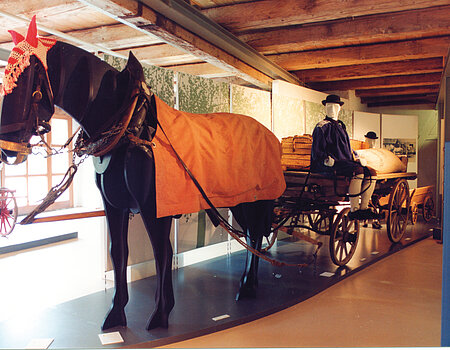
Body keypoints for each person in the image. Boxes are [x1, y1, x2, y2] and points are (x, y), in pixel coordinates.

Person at [310, 94, 379, 220]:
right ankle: (354, 210)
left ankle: (364, 207)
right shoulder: (322, 127)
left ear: (339, 108)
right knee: (357, 171)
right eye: (329, 106)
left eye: (335, 106)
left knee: (372, 172)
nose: (332, 109)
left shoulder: (341, 127)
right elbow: (317, 149)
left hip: (344, 161)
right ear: (325, 107)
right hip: (330, 164)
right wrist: (325, 159)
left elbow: (347, 147)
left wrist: (357, 157)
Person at [361, 131, 382, 229]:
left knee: (374, 199)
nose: (371, 142)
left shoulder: (376, 152)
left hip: (375, 177)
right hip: (365, 175)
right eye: (369, 140)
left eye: (373, 140)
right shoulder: (362, 150)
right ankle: (364, 220)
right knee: (366, 198)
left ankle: (374, 220)